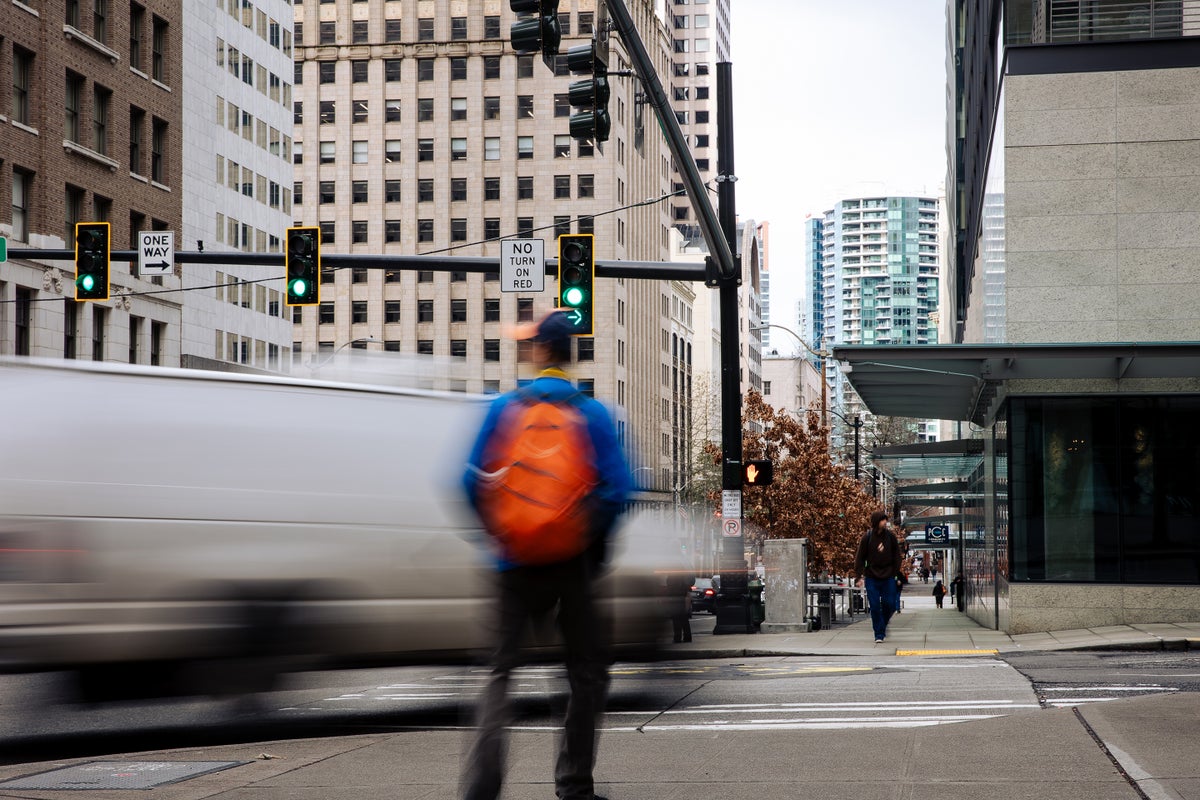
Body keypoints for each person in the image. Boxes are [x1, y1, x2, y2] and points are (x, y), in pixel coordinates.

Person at [460, 310, 632, 800]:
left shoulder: (504, 410)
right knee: (585, 674)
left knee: (499, 673)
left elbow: (466, 482)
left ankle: (482, 788)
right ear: (571, 356)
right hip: (571, 566)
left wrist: (500, 535)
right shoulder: (591, 414)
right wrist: (590, 544)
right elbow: (619, 490)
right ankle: (574, 785)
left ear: (538, 352)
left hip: (512, 565)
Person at [854, 510, 903, 644]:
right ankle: (879, 633)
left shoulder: (890, 537)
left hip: (888, 576)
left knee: (891, 604)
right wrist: (858, 576)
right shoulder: (867, 537)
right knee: (875, 606)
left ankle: (882, 624)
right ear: (876, 522)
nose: (885, 522)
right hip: (872, 577)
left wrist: (895, 572)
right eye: (882, 520)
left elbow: (897, 556)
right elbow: (859, 557)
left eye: (885, 520)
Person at [667, 570, 694, 643]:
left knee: (676, 620)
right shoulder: (685, 577)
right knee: (684, 619)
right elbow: (688, 590)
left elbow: (669, 589)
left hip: (675, 599)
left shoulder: (671, 577)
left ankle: (677, 637)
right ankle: (687, 637)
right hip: (683, 598)